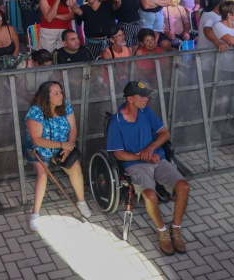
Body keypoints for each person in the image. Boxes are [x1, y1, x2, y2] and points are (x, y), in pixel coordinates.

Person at [106, 81, 190, 256]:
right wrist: (142, 156)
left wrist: (151, 149)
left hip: (157, 159)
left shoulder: (146, 112)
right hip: (134, 165)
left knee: (183, 186)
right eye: (142, 96)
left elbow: (165, 133)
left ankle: (176, 229)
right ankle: (162, 232)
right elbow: (119, 155)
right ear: (130, 99)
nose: (146, 99)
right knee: (149, 195)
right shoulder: (117, 121)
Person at [23, 81, 92, 232]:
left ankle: (81, 201)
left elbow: (73, 128)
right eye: (56, 93)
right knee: (42, 175)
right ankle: (34, 214)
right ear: (46, 97)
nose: (61, 96)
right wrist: (62, 146)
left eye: (61, 92)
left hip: (63, 146)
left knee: (75, 167)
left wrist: (69, 145)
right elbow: (37, 140)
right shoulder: (36, 112)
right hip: (38, 149)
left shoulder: (65, 106)